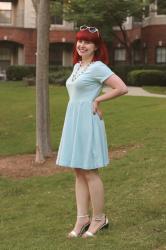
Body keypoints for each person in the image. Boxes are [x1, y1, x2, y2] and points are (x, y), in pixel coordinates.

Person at [56, 25, 128, 238]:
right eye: (80, 41)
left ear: (96, 46)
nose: (82, 45)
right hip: (74, 120)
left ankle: (99, 219)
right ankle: (82, 219)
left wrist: (98, 99)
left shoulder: (98, 67)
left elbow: (121, 88)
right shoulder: (77, 66)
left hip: (88, 120)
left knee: (89, 171)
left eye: (87, 42)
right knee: (78, 171)